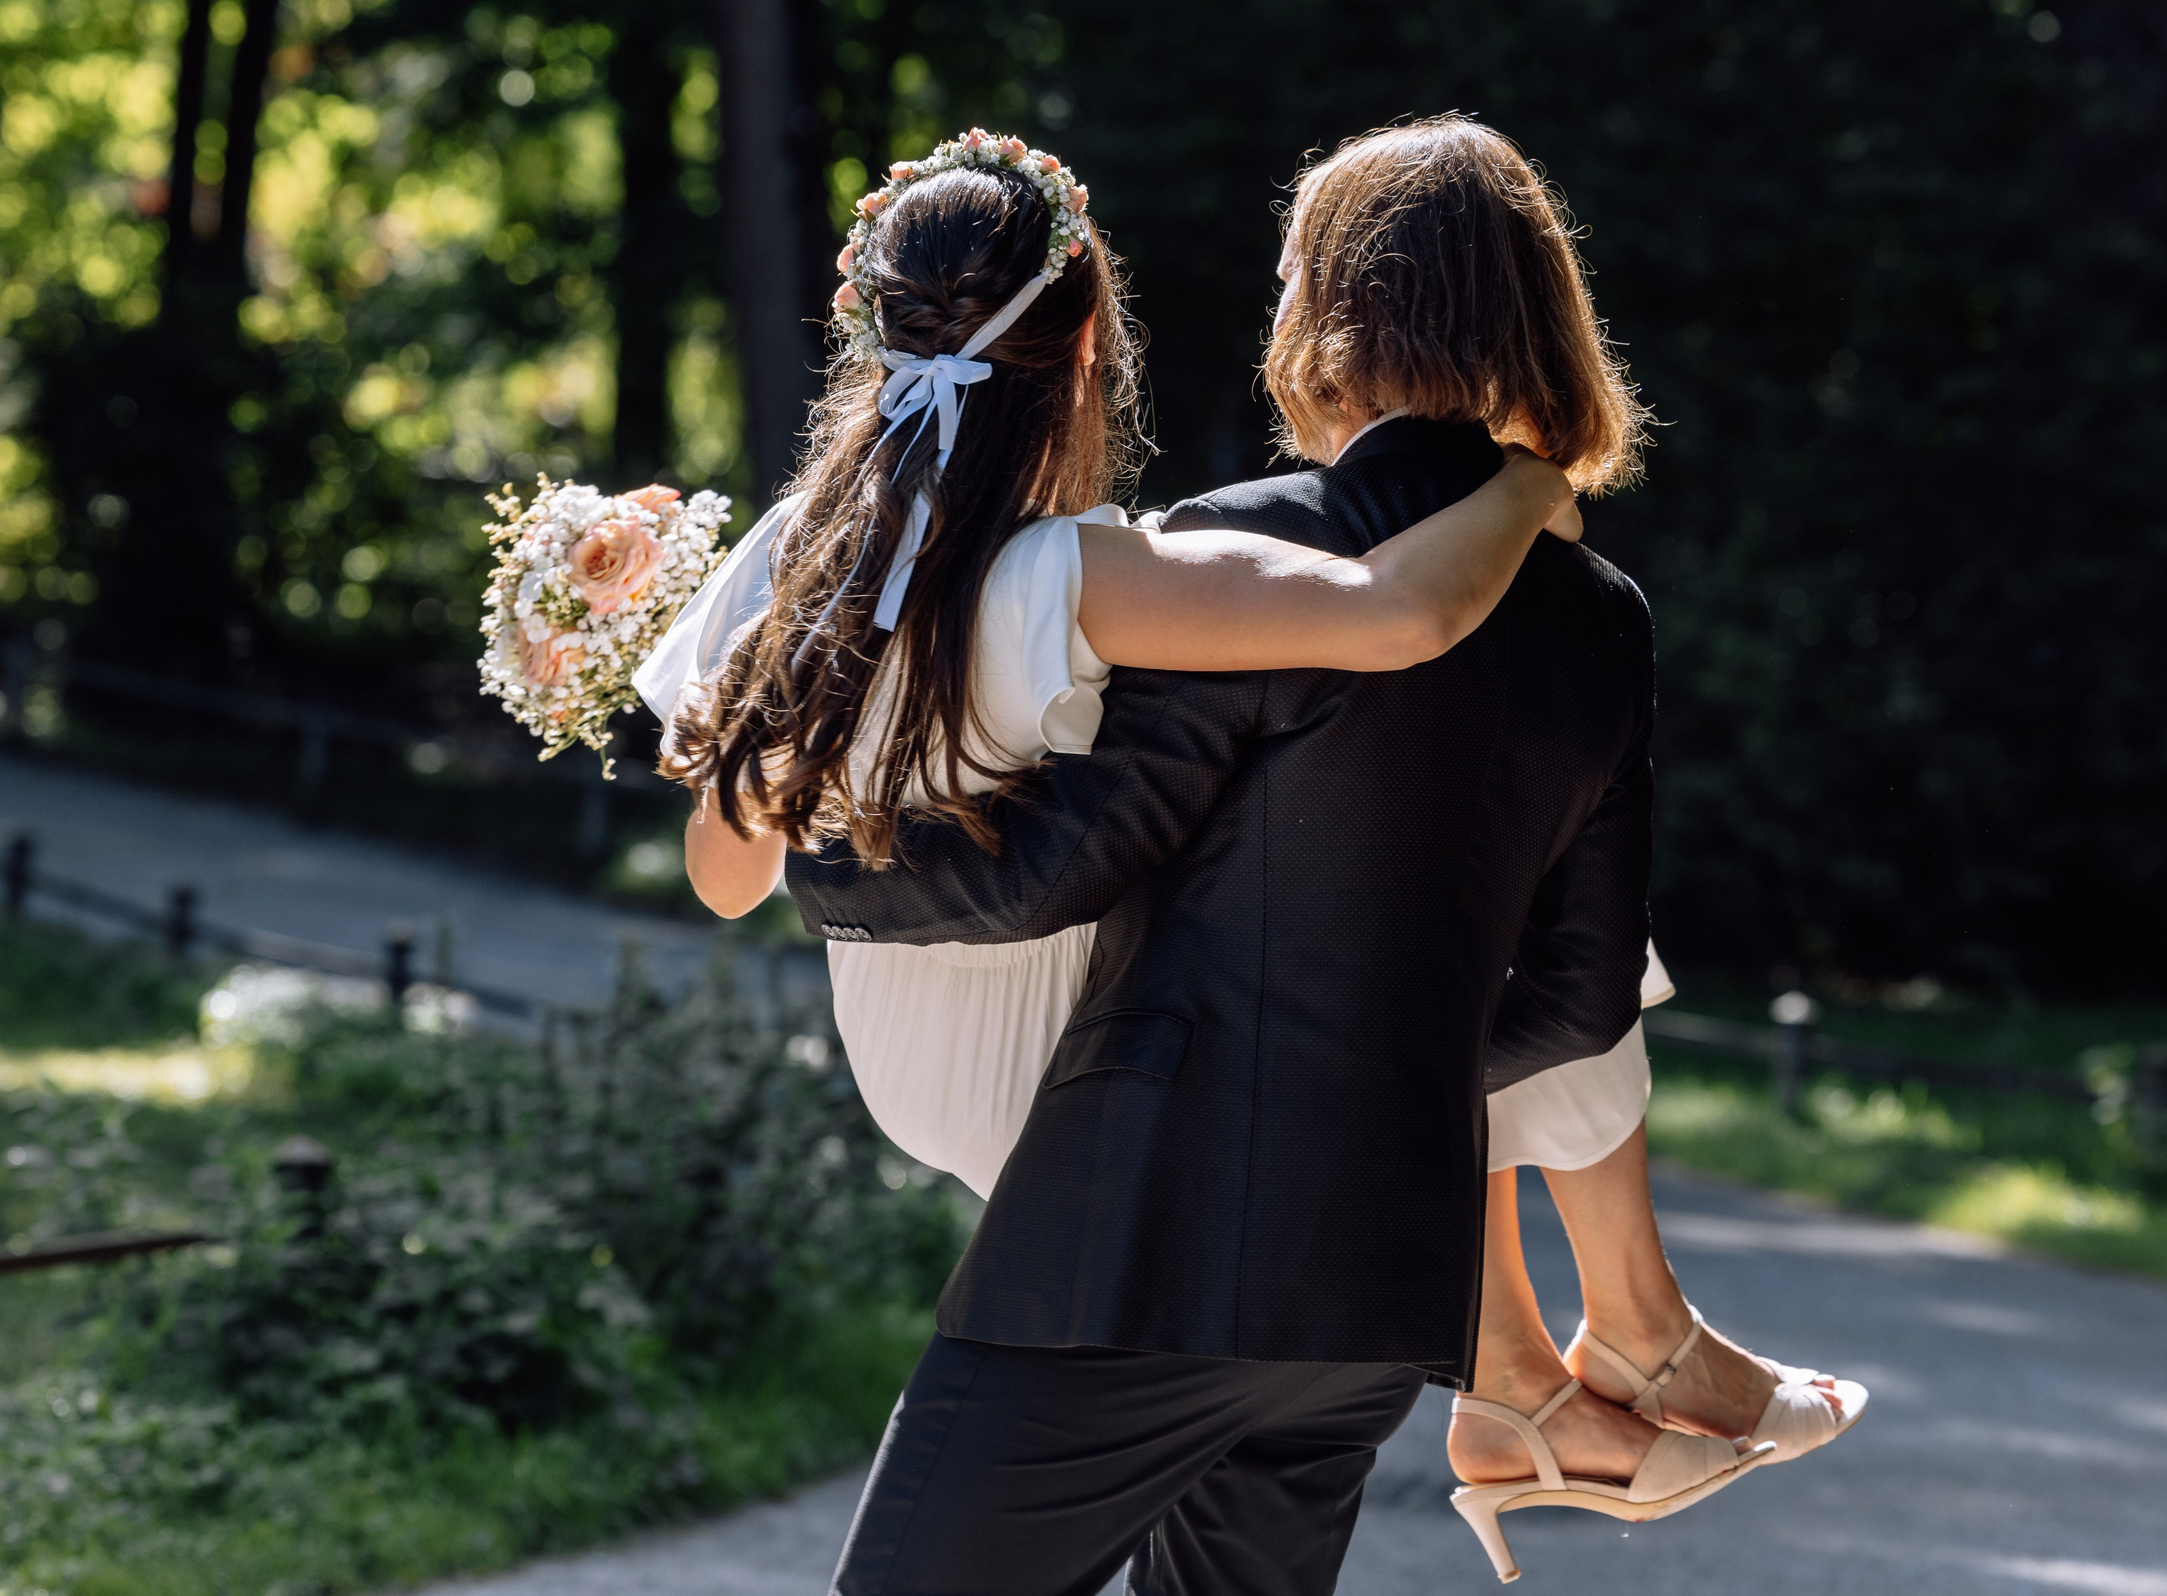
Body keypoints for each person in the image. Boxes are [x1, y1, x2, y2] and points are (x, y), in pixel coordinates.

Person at [756, 117, 1861, 1591]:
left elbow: (1054, 870)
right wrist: (1371, 1071)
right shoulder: (1602, 618)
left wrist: (820, 871)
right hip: (1378, 1291)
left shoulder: (1242, 550)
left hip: (1139, 1251)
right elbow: (1585, 999)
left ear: (1323, 311)